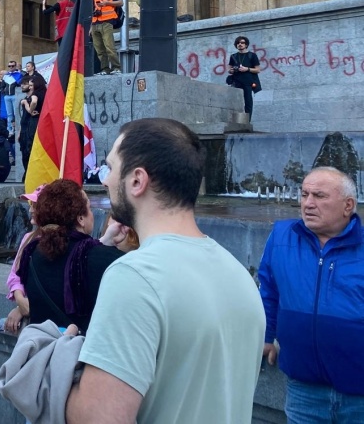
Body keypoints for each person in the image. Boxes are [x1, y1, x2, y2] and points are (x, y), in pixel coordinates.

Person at [65, 117, 265, 423]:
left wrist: (52, 369)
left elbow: (99, 418)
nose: (104, 180)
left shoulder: (134, 276)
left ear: (137, 180)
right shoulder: (240, 275)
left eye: (110, 167)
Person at [258, 166, 364, 422]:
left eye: (319, 196)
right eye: (304, 194)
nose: (308, 203)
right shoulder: (282, 236)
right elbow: (269, 289)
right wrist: (266, 335)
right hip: (303, 388)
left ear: (348, 205)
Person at [6, 179, 134, 334]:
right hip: (79, 354)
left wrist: (103, 242)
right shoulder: (106, 260)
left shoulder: (32, 253)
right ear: (81, 219)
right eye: (89, 208)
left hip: (43, 351)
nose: (92, 213)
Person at [90, 0, 123, 75]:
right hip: (96, 23)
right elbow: (95, 10)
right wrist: (91, 27)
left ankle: (116, 67)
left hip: (107, 22)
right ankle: (105, 69)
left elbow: (120, 2)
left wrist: (107, 3)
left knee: (109, 47)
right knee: (100, 50)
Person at [227, 35, 262, 121]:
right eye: (238, 43)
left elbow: (258, 70)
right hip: (236, 82)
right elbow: (229, 68)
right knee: (235, 102)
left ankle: (247, 122)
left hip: (248, 82)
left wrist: (247, 69)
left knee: (248, 102)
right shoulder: (233, 56)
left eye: (242, 43)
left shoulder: (252, 55)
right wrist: (231, 70)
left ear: (246, 45)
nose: (240, 44)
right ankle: (236, 121)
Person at [19, 78, 46, 173]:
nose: (30, 87)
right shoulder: (45, 93)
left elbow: (34, 102)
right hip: (41, 121)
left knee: (29, 148)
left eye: (31, 85)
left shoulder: (35, 94)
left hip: (34, 122)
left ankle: (29, 172)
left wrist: (27, 105)